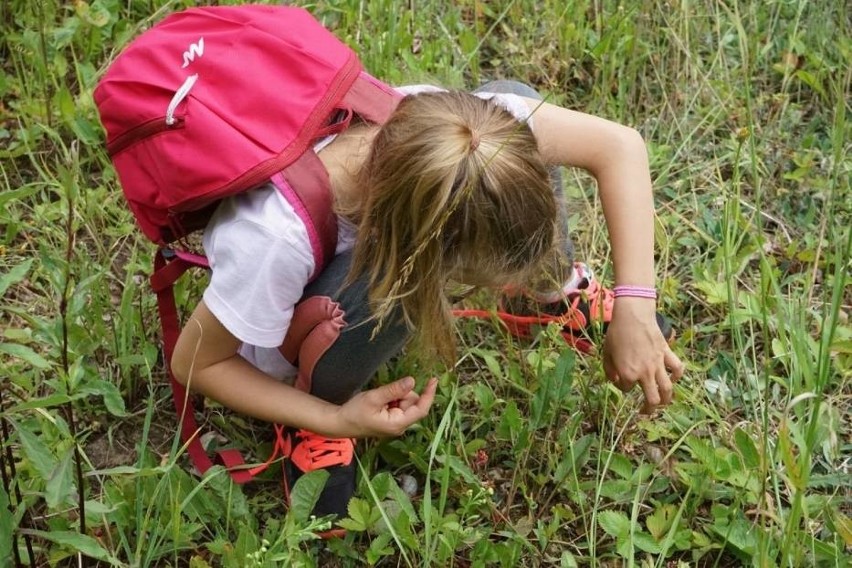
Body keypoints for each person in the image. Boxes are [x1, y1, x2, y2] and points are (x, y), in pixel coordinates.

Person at [170, 81, 685, 519]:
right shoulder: (274, 239)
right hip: (289, 337)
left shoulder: (462, 132)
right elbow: (196, 362)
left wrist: (636, 307)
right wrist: (334, 419)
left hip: (403, 237)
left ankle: (554, 294)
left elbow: (621, 146)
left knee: (520, 111)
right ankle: (308, 409)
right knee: (392, 291)